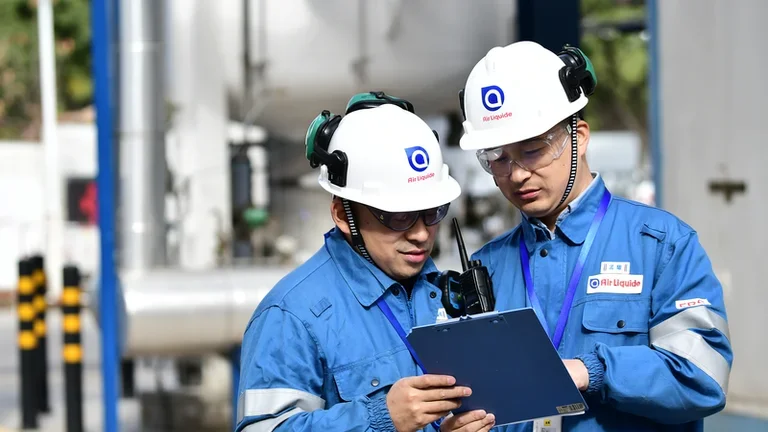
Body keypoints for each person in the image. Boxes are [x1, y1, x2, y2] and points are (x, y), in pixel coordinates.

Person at [457, 41, 733, 431]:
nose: (516, 174)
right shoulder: (485, 267)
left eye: (532, 150)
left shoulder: (662, 245)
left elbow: (703, 375)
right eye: (497, 158)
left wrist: (591, 370)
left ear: (580, 136)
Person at [235, 92, 497, 432]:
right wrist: (379, 418)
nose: (421, 234)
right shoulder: (292, 316)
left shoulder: (440, 295)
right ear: (343, 215)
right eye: (399, 217)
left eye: (432, 212)